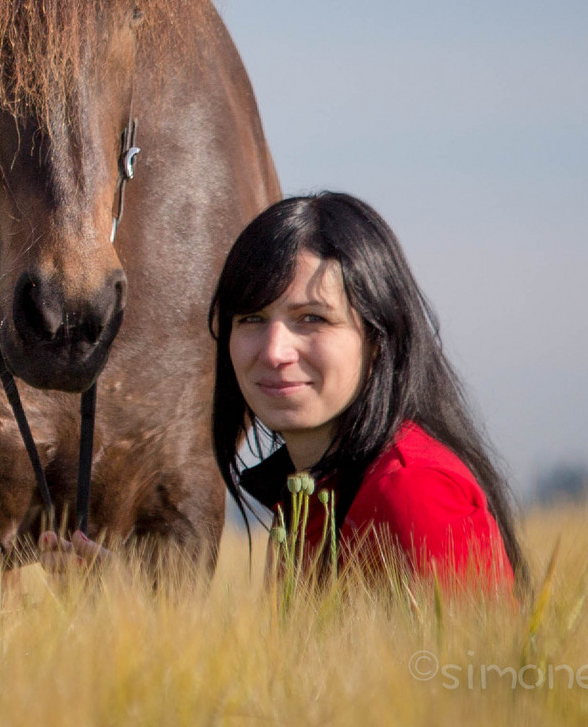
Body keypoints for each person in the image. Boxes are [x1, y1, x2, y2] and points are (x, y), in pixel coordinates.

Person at [210, 193, 521, 591]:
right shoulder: (304, 504)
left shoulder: (413, 493)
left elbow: (467, 654)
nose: (274, 351)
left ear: (378, 337)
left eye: (312, 318)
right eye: (251, 318)